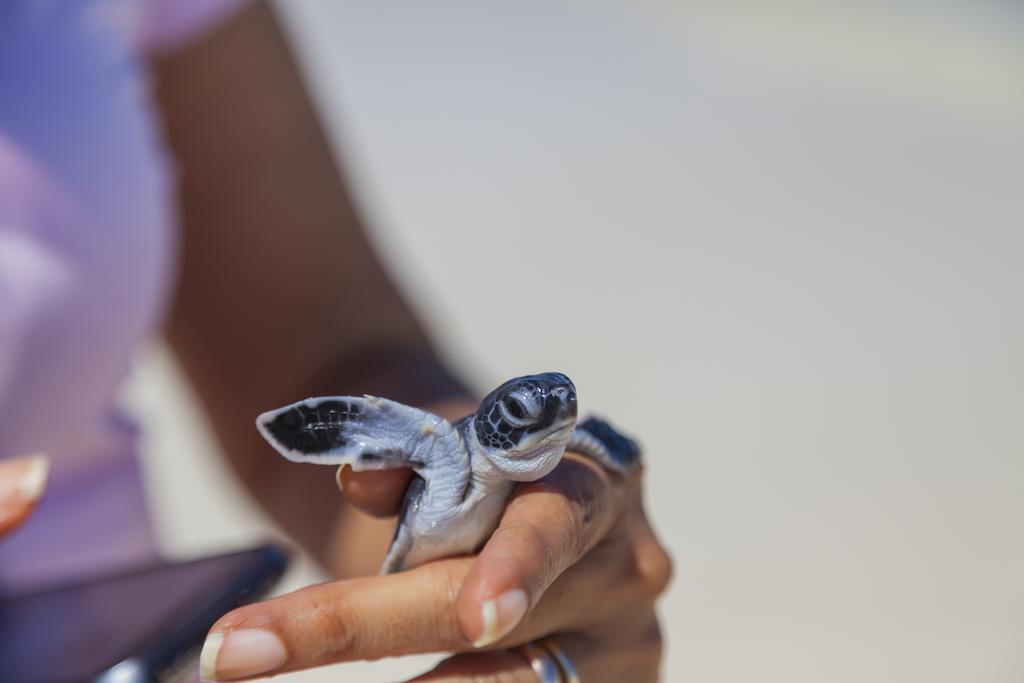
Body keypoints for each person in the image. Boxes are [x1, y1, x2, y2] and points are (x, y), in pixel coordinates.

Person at [0, 2, 671, 681]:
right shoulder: (439, 449)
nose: (549, 418)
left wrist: (547, 555)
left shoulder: (455, 451)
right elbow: (332, 418)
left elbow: (314, 350)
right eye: (532, 413)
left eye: (556, 410)